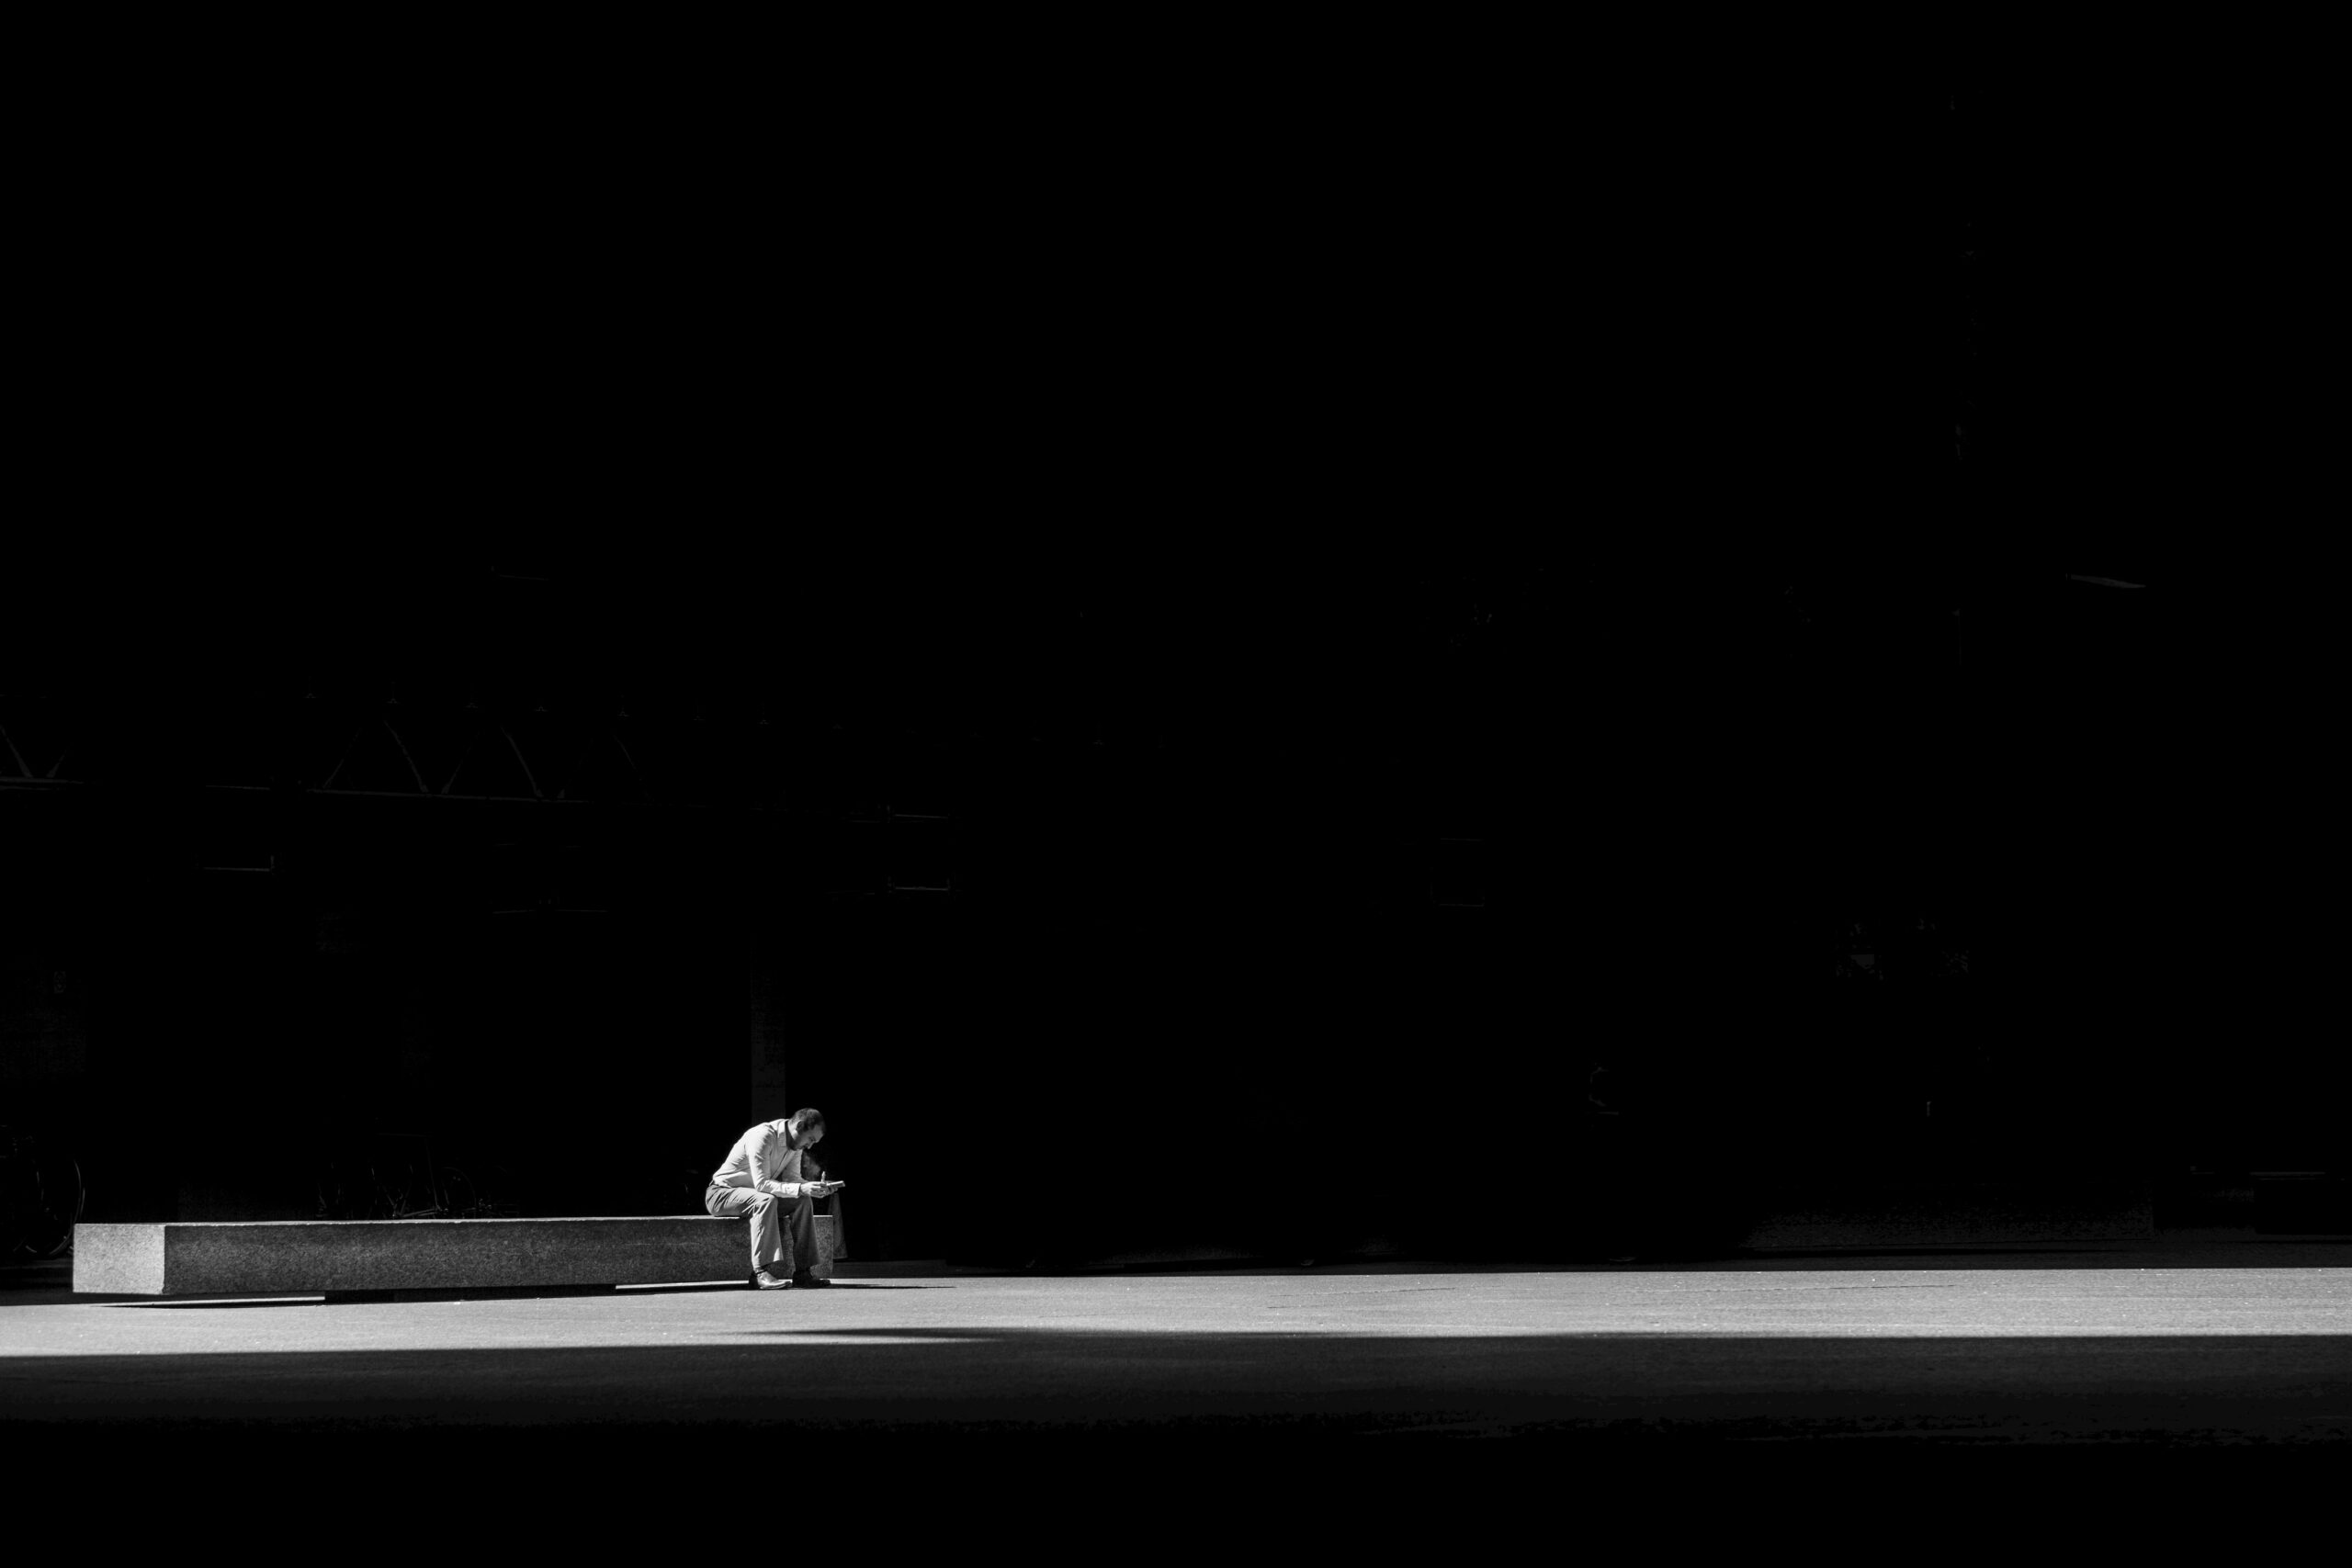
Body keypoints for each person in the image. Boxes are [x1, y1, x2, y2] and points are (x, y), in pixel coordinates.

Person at [706, 1108, 841, 1290]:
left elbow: (793, 1179)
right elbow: (761, 1184)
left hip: (754, 1196)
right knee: (766, 1200)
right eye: (810, 1139)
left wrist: (811, 1188)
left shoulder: (795, 1145)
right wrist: (800, 1188)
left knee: (802, 1201)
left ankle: (803, 1273)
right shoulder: (763, 1136)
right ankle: (759, 1273)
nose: (809, 1146)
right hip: (722, 1194)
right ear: (799, 1126)